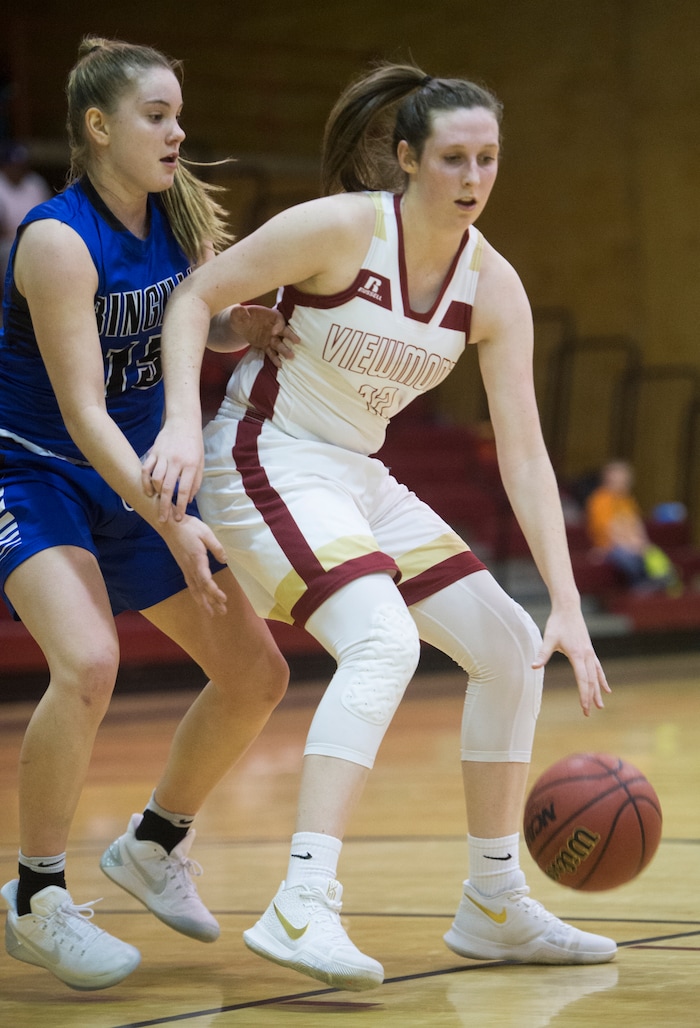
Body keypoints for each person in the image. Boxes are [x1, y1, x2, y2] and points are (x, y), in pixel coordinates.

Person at [148, 62, 616, 992]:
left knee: (511, 643)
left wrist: (567, 600)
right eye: (453, 158)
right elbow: (193, 299)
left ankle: (492, 900)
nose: (474, 177)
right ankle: (303, 900)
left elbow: (523, 453)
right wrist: (173, 425)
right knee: (381, 643)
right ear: (405, 159)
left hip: (356, 473)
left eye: (488, 158)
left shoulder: (495, 286)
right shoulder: (339, 228)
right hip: (264, 452)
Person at [0, 37, 292, 992]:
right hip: (37, 471)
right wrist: (171, 519)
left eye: (178, 114)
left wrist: (239, 324)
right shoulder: (56, 237)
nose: (177, 132)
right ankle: (36, 898)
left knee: (256, 677)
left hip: (139, 476)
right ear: (97, 126)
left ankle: (154, 842)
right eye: (156, 116)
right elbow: (85, 411)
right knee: (87, 663)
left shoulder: (178, 217)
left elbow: (184, 323)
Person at [585, 460, 679, 593]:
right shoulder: (599, 500)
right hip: (609, 546)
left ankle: (661, 582)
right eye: (618, 478)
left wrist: (642, 543)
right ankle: (638, 588)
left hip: (632, 543)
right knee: (627, 557)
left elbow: (636, 524)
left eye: (625, 478)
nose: (623, 482)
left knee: (653, 554)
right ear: (608, 479)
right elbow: (607, 529)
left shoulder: (627, 501)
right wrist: (630, 545)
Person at [0, 141, 51, 307]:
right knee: (9, 253)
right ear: (5, 166)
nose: (18, 170)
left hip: (35, 237)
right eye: (14, 166)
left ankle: (43, 301)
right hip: (7, 242)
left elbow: (49, 215)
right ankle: (11, 302)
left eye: (22, 166)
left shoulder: (34, 183)